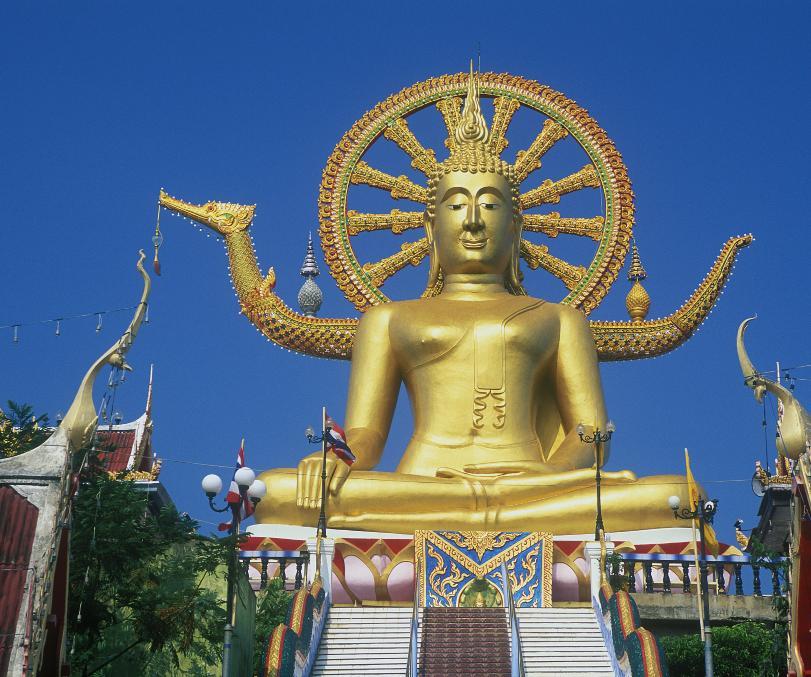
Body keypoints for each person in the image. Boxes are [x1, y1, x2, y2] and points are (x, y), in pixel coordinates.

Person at [255, 69, 692, 533]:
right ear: (429, 229)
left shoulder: (561, 319)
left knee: (678, 498)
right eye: (456, 203)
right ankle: (494, 514)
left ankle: (494, 511)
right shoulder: (387, 319)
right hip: (423, 485)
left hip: (532, 484)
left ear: (517, 227)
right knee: (275, 491)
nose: (472, 221)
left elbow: (592, 435)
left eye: (489, 204)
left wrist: (554, 472)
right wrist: (335, 458)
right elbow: (369, 434)